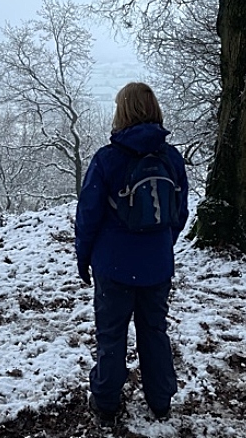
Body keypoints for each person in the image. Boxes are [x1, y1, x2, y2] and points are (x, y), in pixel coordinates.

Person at [75, 82, 189, 426]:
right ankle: (160, 400)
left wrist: (84, 259)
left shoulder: (107, 159)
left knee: (111, 334)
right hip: (157, 264)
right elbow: (179, 213)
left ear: (121, 111)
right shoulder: (170, 157)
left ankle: (106, 404)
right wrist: (160, 247)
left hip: (113, 266)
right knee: (154, 330)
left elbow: (88, 215)